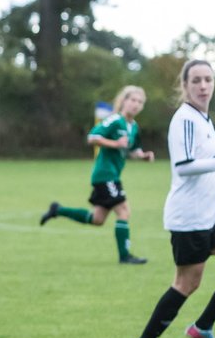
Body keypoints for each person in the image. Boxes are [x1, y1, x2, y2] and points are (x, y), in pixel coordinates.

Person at [131, 60, 215, 338]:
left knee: (189, 282)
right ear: (184, 86)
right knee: (187, 283)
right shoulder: (185, 119)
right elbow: (184, 167)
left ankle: (203, 328)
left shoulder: (204, 120)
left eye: (208, 79)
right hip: (190, 218)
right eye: (195, 80)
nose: (203, 86)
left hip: (211, 215)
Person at [39, 86, 155, 264]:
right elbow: (92, 137)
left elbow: (132, 150)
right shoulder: (115, 120)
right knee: (124, 211)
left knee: (98, 219)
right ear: (124, 101)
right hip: (105, 174)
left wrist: (143, 156)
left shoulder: (134, 127)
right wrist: (115, 143)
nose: (136, 105)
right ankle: (125, 256)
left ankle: (58, 210)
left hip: (112, 175)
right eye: (133, 100)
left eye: (140, 102)